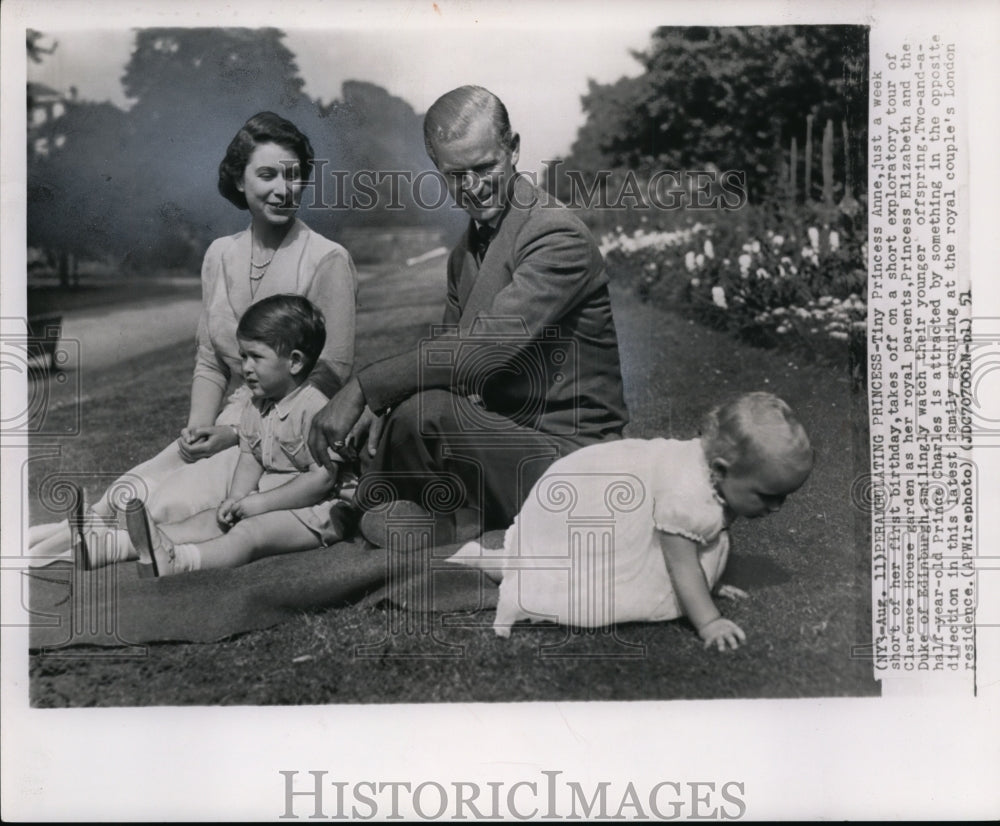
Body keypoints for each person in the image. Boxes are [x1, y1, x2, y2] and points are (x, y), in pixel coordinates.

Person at [29, 112, 358, 567]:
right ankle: (72, 541)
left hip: (286, 431)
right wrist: (199, 430)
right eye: (267, 174)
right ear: (240, 182)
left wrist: (235, 434)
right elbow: (210, 359)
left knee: (170, 501)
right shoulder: (219, 255)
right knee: (133, 487)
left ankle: (110, 551)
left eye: (294, 175)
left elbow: (332, 371)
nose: (283, 189)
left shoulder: (327, 259)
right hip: (228, 418)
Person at [308, 85, 628, 544]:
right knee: (410, 412)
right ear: (437, 169)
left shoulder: (555, 234)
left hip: (575, 459)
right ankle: (407, 508)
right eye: (456, 175)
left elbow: (480, 352)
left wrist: (364, 388)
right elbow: (445, 366)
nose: (473, 186)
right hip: (503, 439)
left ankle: (416, 515)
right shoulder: (465, 252)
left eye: (485, 167)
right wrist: (384, 405)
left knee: (429, 412)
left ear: (513, 149)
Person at [448, 392, 815, 650]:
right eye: (768, 496)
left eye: (785, 496)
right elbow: (682, 563)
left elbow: (703, 543)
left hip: (607, 497)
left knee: (544, 565)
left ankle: (488, 559)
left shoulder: (714, 476)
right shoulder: (688, 492)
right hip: (592, 509)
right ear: (722, 470)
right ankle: (494, 565)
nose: (778, 506)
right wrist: (709, 620)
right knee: (576, 579)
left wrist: (713, 580)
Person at [124, 294, 355, 576]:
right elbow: (250, 456)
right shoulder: (257, 405)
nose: (245, 367)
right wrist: (236, 498)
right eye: (243, 356)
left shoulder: (315, 407)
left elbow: (322, 479)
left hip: (321, 512)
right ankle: (122, 545)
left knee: (248, 532)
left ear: (294, 362)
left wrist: (258, 503)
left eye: (256, 357)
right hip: (271, 501)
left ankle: (180, 561)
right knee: (212, 518)